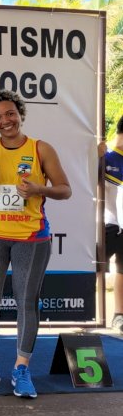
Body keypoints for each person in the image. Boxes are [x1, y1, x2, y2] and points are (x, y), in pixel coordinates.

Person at [0, 90, 71, 398]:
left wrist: (40, 188)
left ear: (20, 113)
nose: (5, 121)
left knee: (26, 302)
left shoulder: (41, 149)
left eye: (10, 113)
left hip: (31, 238)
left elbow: (65, 190)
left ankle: (22, 368)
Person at [99, 117, 123, 334]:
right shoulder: (105, 157)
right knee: (97, 267)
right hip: (108, 223)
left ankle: (119, 314)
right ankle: (93, 314)